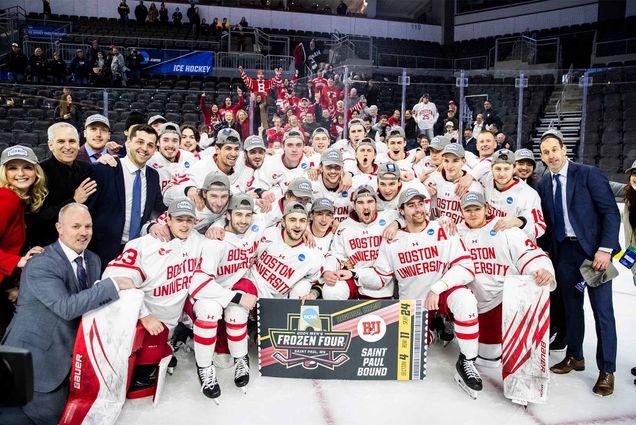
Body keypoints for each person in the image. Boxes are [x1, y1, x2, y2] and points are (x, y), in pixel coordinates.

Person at [0, 203, 134, 425]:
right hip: (35, 362)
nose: (83, 232)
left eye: (88, 226)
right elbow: (66, 307)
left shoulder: (93, 259)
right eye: (76, 226)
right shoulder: (41, 263)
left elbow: (88, 304)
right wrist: (113, 284)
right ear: (59, 228)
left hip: (68, 358)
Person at [358, 187, 482, 397]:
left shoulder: (443, 229)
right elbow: (381, 278)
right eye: (411, 205)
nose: (417, 209)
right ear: (402, 211)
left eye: (421, 203)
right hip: (414, 306)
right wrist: (355, 273)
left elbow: (467, 267)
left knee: (465, 299)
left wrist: (437, 288)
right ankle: (436, 327)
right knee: (412, 353)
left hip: (440, 296)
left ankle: (467, 361)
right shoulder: (392, 240)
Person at [536, 129, 620, 397]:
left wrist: (605, 249)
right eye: (545, 152)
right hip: (564, 254)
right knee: (571, 309)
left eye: (554, 149)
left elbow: (609, 212)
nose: (551, 155)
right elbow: (547, 224)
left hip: (594, 254)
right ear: (542, 156)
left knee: (602, 312)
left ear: (564, 151)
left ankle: (607, 370)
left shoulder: (588, 174)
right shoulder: (543, 183)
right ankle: (575, 356)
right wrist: (546, 252)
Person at [102, 197, 207, 395]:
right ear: (168, 220)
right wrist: (143, 315)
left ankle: (172, 343)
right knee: (136, 381)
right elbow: (114, 279)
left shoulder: (197, 241)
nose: (184, 225)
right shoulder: (145, 245)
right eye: (179, 219)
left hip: (172, 322)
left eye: (189, 220)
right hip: (143, 322)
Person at [457, 191, 555, 368]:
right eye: (468, 209)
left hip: (501, 299)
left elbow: (529, 253)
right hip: (471, 300)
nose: (473, 213)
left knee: (490, 356)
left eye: (477, 209)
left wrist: (542, 269)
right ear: (461, 211)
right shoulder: (455, 231)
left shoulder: (504, 228)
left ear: (486, 209)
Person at [188, 194, 261, 399]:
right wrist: (236, 297)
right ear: (227, 215)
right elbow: (199, 285)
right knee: (211, 311)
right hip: (204, 293)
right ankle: (204, 368)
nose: (243, 220)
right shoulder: (214, 243)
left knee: (238, 311)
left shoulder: (252, 232)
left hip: (226, 290)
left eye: (248, 215)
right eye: (238, 214)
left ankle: (241, 359)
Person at [85, 124, 167, 268]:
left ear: (155, 150)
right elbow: (87, 210)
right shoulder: (104, 169)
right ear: (128, 143)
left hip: (137, 251)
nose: (145, 148)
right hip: (102, 252)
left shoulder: (153, 175)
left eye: (150, 145)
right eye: (140, 142)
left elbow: (158, 208)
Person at [0, 146, 47, 337]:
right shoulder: (6, 197)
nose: (20, 173)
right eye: (12, 168)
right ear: (4, 172)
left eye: (26, 167)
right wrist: (17, 262)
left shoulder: (18, 199)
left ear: (36, 171)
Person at [28, 122, 94, 248]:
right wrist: (74, 201)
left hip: (81, 246)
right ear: (50, 145)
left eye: (72, 141)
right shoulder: (39, 173)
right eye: (61, 141)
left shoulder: (87, 169)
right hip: (47, 247)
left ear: (79, 144)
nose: (68, 146)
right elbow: (35, 219)